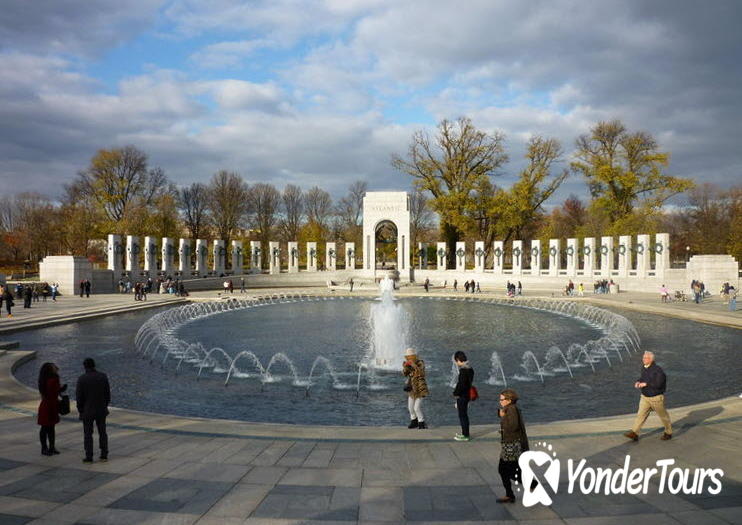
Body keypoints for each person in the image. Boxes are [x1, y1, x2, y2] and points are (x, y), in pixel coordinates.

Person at [624, 351, 672, 442]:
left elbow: (659, 384)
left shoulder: (658, 370)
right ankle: (634, 433)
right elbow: (642, 378)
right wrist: (638, 382)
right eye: (643, 357)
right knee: (640, 415)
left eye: (645, 358)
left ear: (651, 359)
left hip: (656, 398)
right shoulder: (644, 368)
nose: (643, 359)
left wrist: (645, 384)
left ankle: (668, 432)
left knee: (663, 416)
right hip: (645, 397)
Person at [497, 389, 531, 503]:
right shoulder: (509, 409)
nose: (500, 401)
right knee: (505, 469)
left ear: (509, 400)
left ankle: (532, 485)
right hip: (509, 444)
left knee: (508, 470)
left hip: (512, 445)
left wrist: (502, 416)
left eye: (502, 399)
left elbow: (513, 426)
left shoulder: (511, 409)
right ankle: (510, 494)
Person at [76, 358, 111, 463]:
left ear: (84, 366)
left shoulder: (82, 379)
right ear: (94, 365)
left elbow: (79, 397)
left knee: (88, 434)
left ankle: (89, 456)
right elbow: (107, 394)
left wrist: (81, 410)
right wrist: (104, 405)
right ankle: (104, 454)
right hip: (101, 410)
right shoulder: (103, 376)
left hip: (87, 411)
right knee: (102, 432)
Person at [37, 362, 66, 456]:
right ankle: (48, 447)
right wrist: (61, 389)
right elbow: (53, 391)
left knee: (47, 427)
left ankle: (47, 447)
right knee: (48, 427)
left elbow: (51, 391)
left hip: (46, 405)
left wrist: (60, 389)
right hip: (50, 406)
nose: (55, 367)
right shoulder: (54, 379)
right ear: (50, 370)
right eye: (53, 367)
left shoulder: (43, 380)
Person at [402, 348, 429, 429]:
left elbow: (422, 373)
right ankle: (414, 422)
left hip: (420, 389)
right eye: (408, 356)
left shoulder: (420, 362)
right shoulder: (406, 363)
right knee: (410, 408)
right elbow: (404, 374)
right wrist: (406, 366)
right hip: (411, 389)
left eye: (411, 356)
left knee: (416, 408)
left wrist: (414, 365)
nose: (409, 358)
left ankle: (421, 423)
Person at [452, 351, 474, 441]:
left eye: (456, 361)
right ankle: (465, 433)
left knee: (462, 415)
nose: (456, 363)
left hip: (462, 396)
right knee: (464, 415)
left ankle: (465, 435)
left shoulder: (463, 370)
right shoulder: (470, 369)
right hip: (467, 395)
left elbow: (461, 384)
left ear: (458, 360)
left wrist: (455, 393)